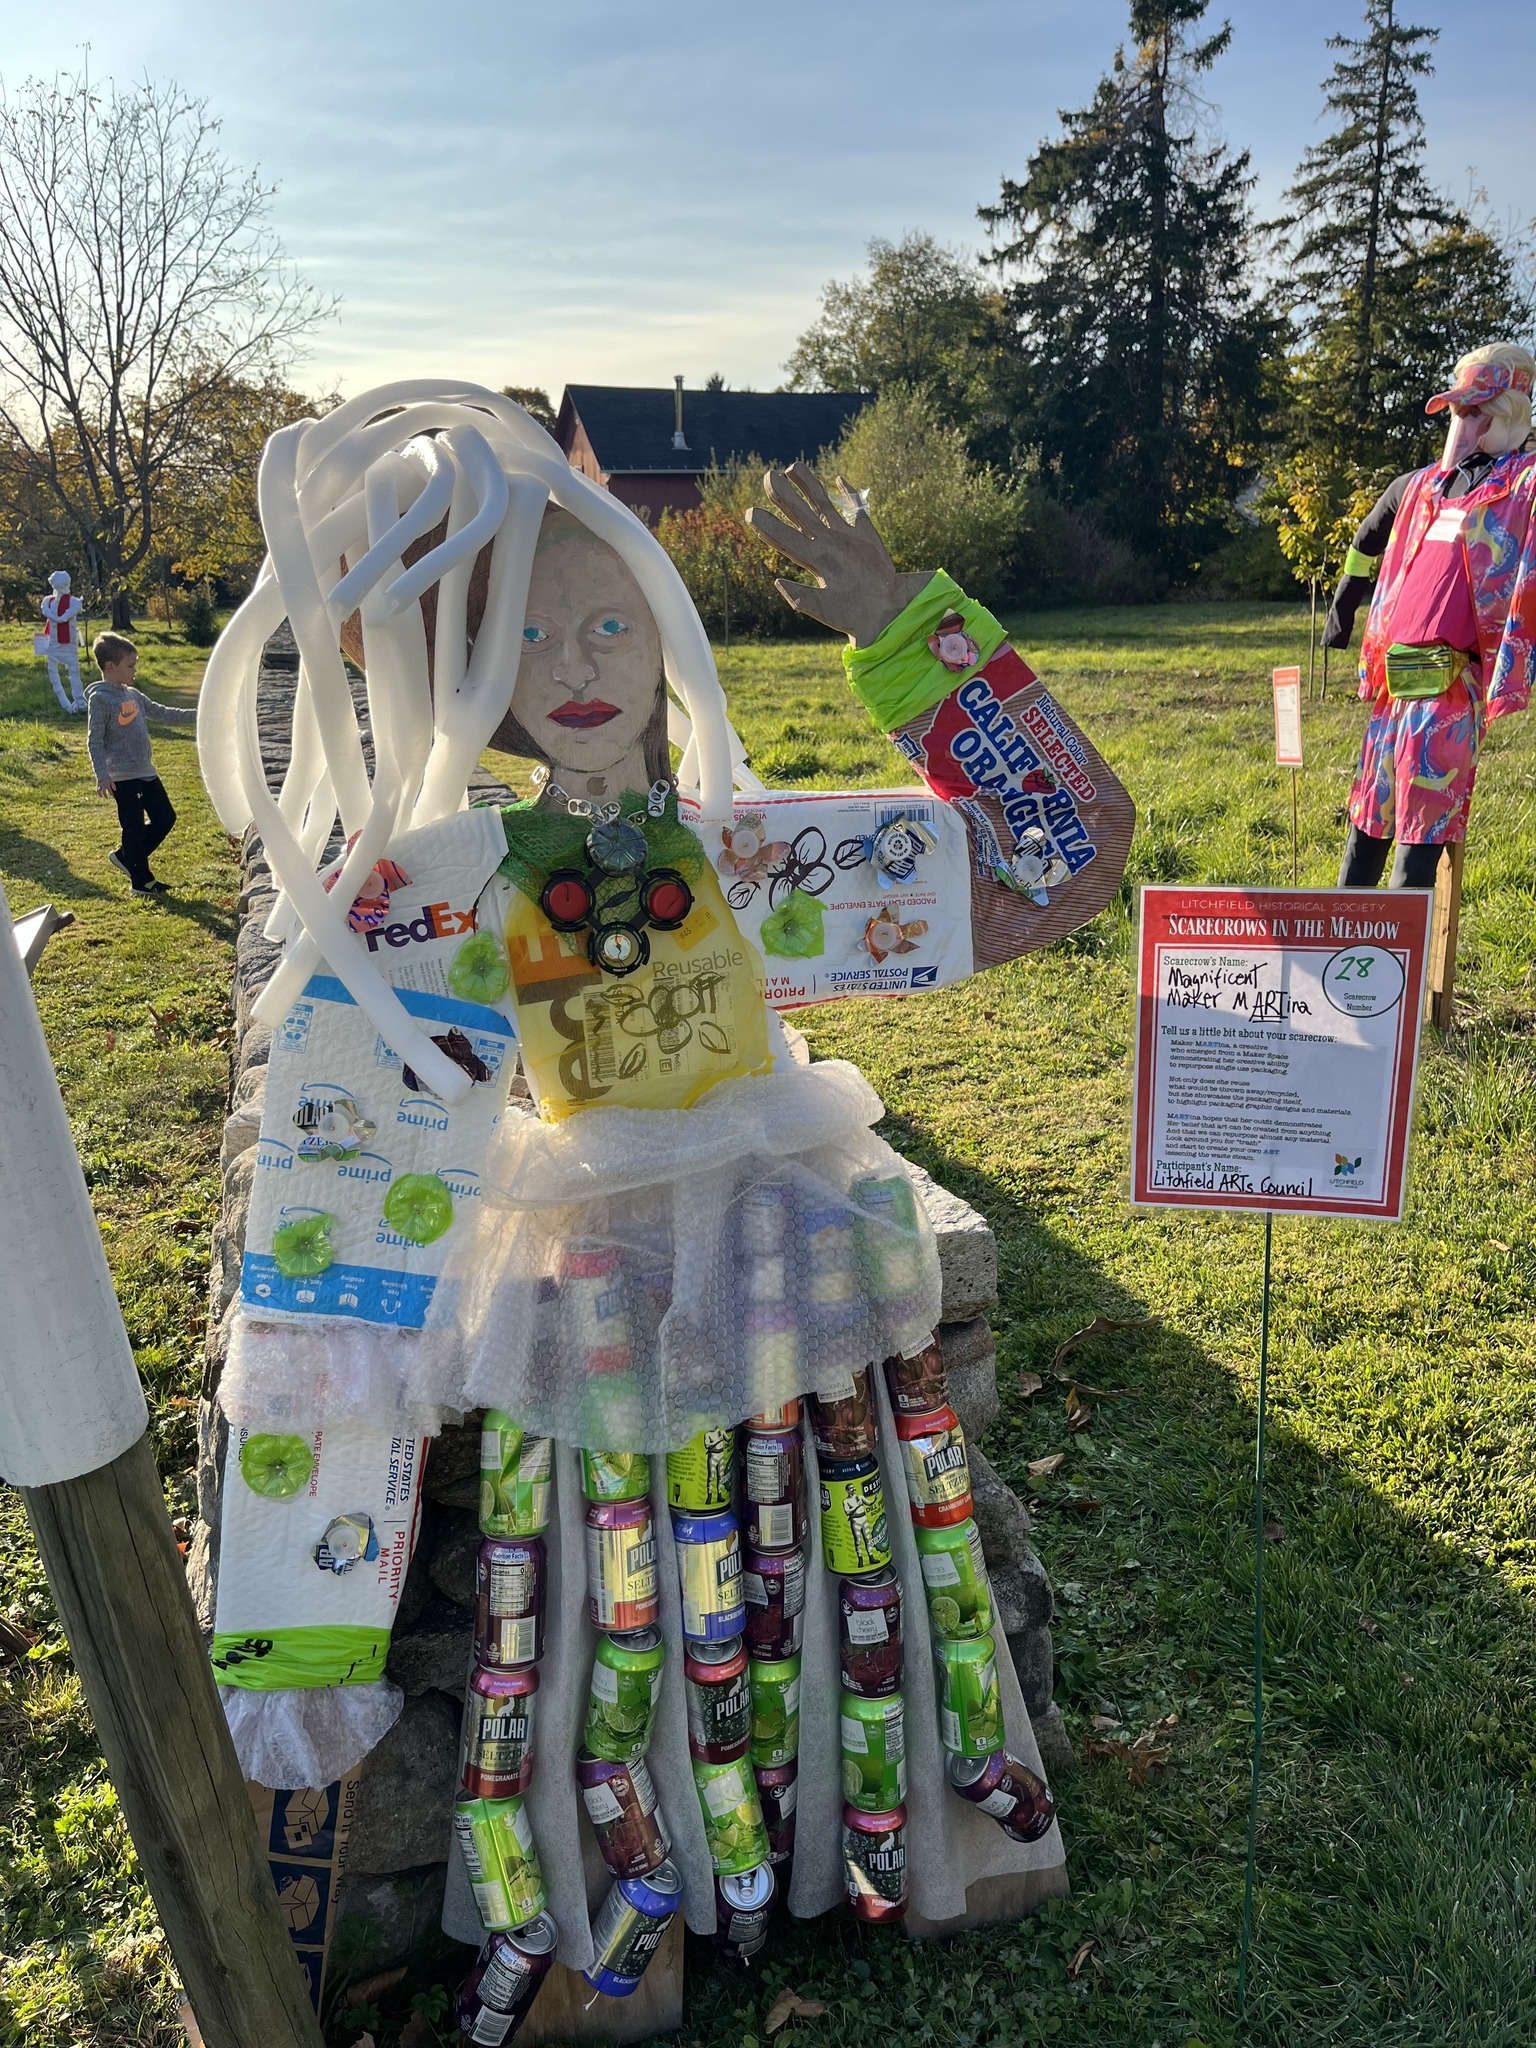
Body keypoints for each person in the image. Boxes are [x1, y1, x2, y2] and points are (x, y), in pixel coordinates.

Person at [1324, 342, 1536, 889]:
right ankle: (1338, 945)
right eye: (1458, 411)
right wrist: (1348, 595)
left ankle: (1397, 963)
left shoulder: (1522, 487)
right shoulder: (1422, 488)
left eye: (1476, 411)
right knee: (1369, 820)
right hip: (1393, 688)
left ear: (1510, 408)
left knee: (1421, 834)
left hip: (1448, 693)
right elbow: (1367, 534)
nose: (1463, 423)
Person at [86, 632, 196, 895]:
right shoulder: (100, 699)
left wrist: (200, 715)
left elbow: (162, 712)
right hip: (122, 778)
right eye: (130, 666)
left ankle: (127, 857)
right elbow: (94, 741)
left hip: (146, 772)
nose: (135, 671)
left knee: (165, 818)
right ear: (111, 667)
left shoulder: (133, 694)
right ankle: (141, 882)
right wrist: (102, 775)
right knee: (133, 829)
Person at [35, 570, 86, 713]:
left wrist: (56, 618)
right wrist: (55, 617)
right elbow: (46, 611)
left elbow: (65, 617)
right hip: (52, 643)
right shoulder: (47, 600)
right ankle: (65, 703)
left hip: (68, 645)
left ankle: (79, 702)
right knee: (52, 671)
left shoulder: (74, 602)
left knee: (74, 673)